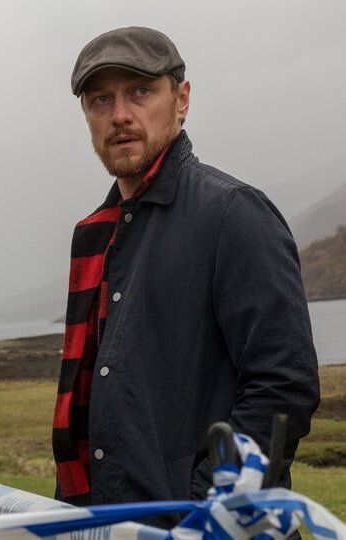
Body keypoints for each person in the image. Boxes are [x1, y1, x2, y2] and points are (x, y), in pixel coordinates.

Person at [51, 26, 320, 529]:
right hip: (106, 526)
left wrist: (204, 511)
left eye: (140, 91)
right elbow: (90, 404)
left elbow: (285, 386)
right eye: (101, 99)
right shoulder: (95, 236)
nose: (119, 115)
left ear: (181, 100)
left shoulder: (233, 213)